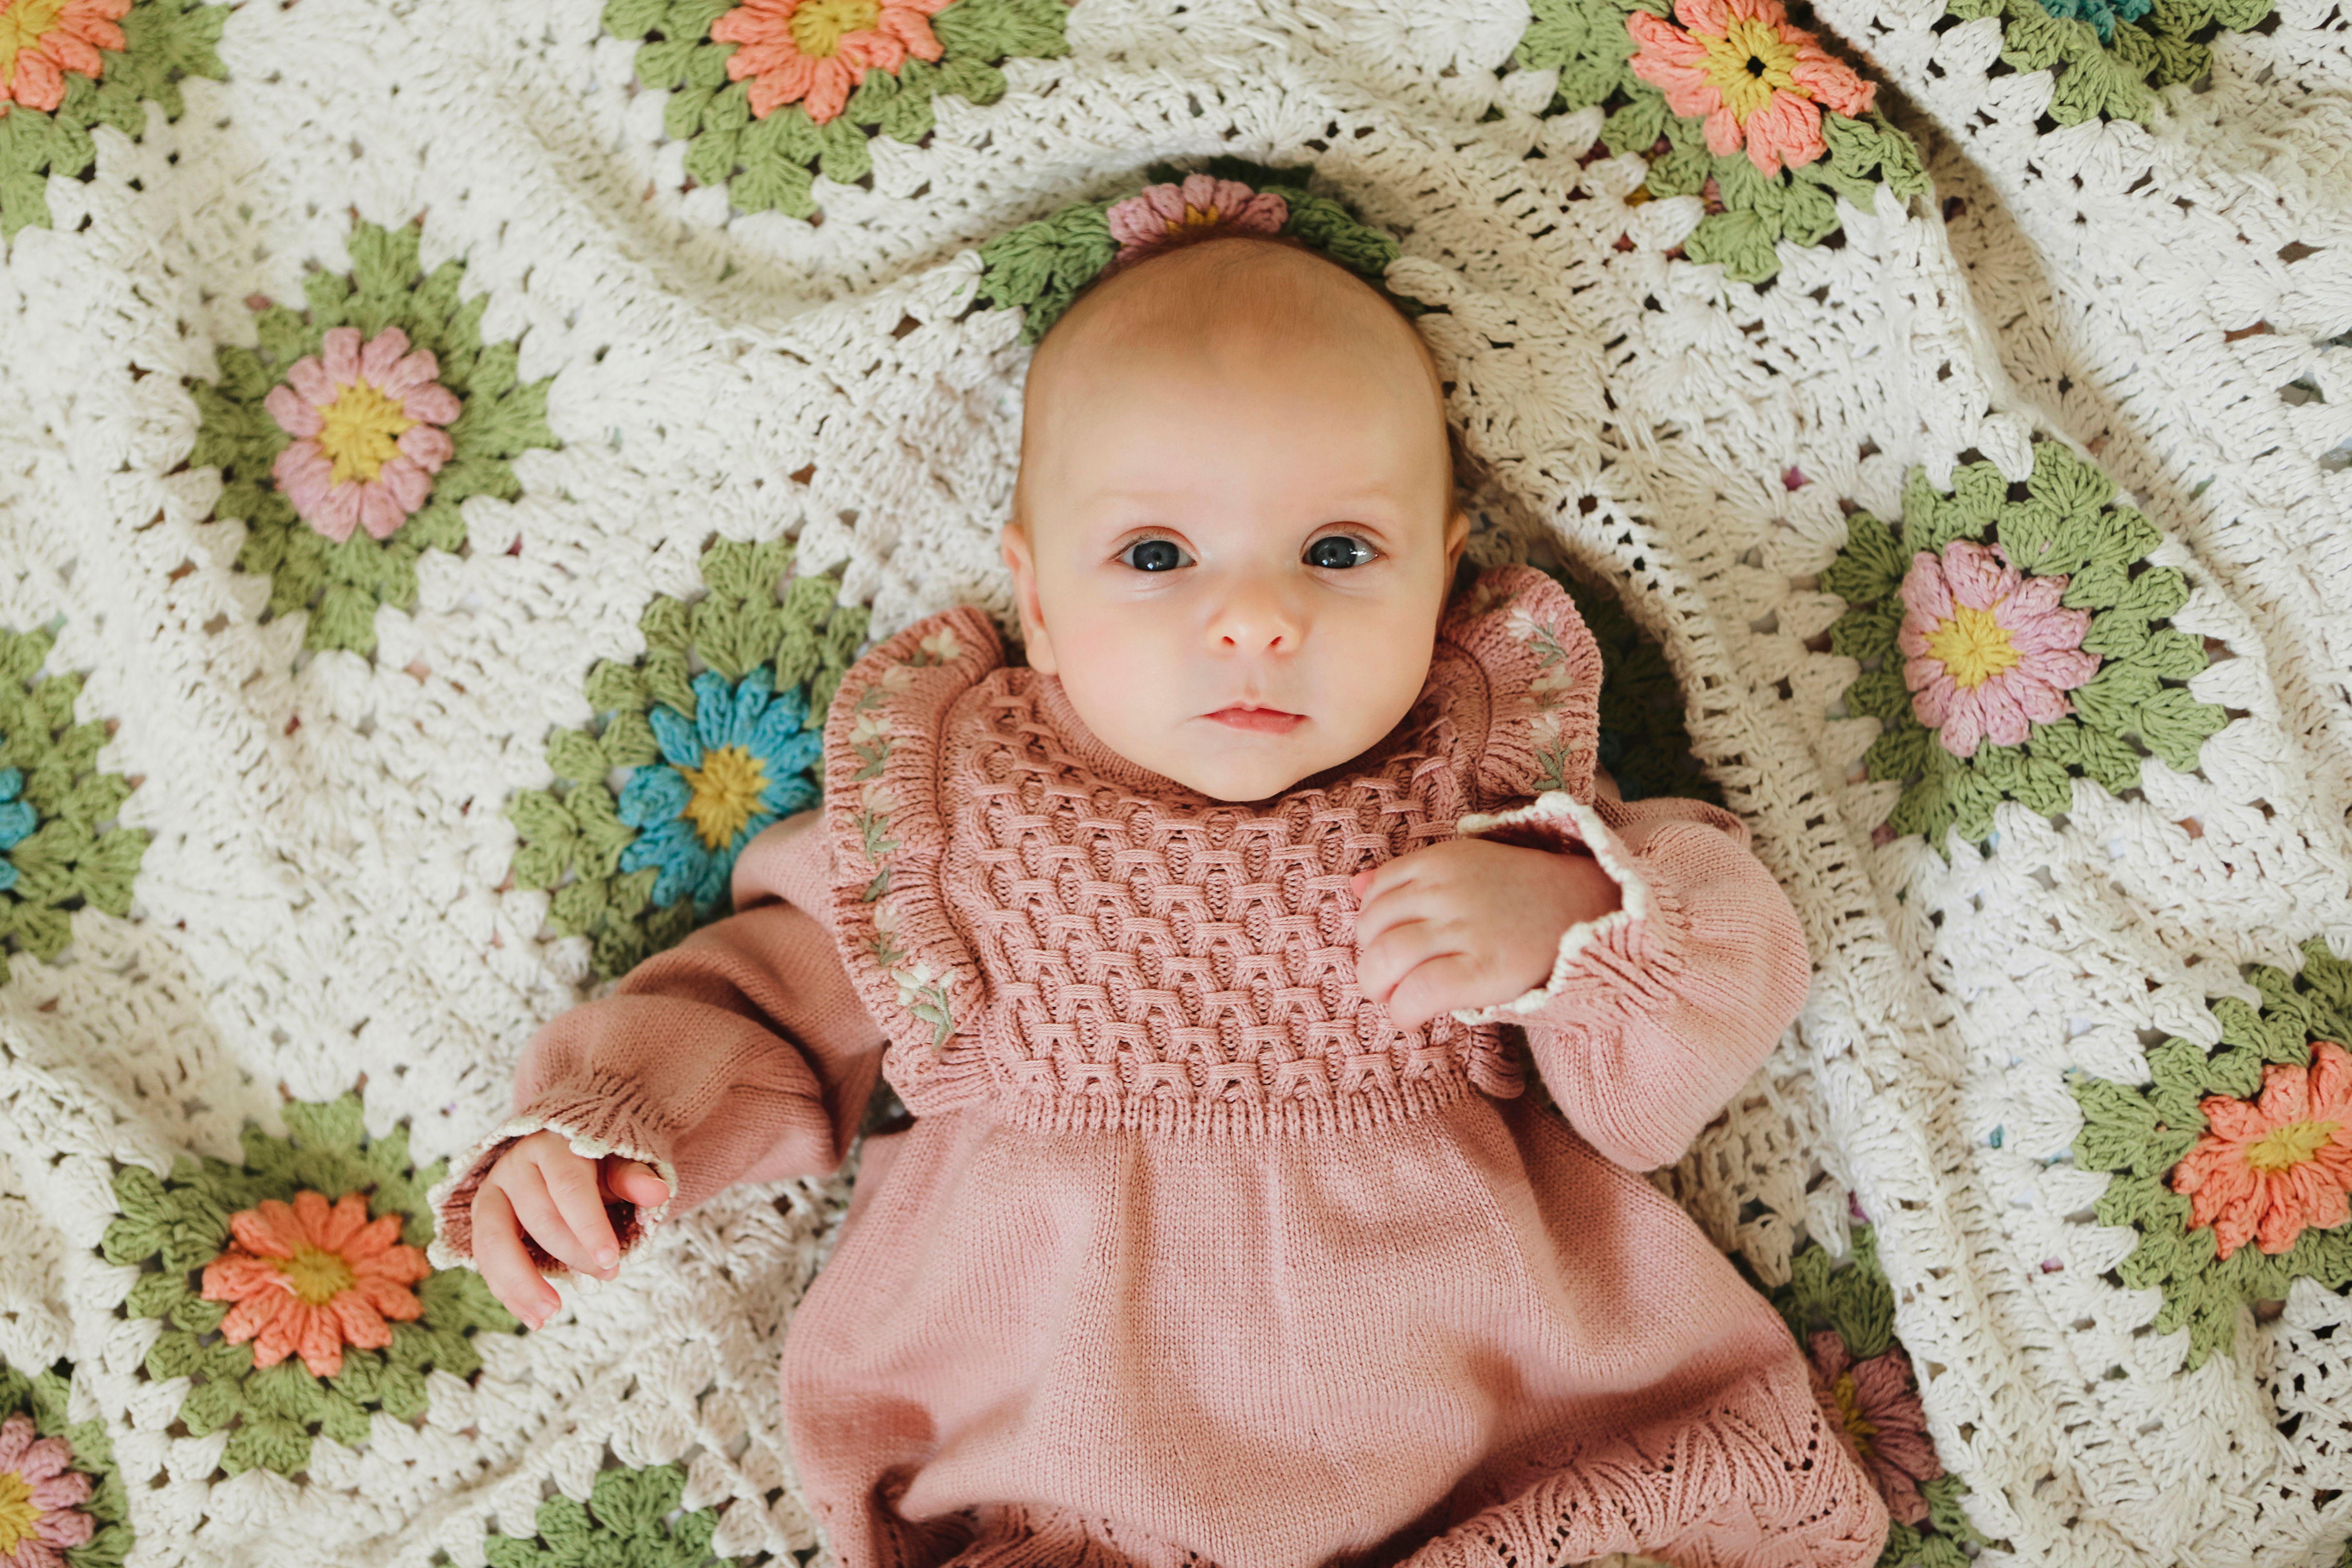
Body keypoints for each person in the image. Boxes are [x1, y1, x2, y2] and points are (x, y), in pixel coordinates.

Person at [429, 226, 1890, 1568]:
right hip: (1068, 1469)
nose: (1254, 617)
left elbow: (1710, 990)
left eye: (1336, 553)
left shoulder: (1492, 791)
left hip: (1485, 1445)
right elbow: (774, 993)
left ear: (1442, 582)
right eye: (1153, 557)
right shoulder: (954, 814)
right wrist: (618, 1124)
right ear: (1040, 603)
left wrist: (1578, 921)